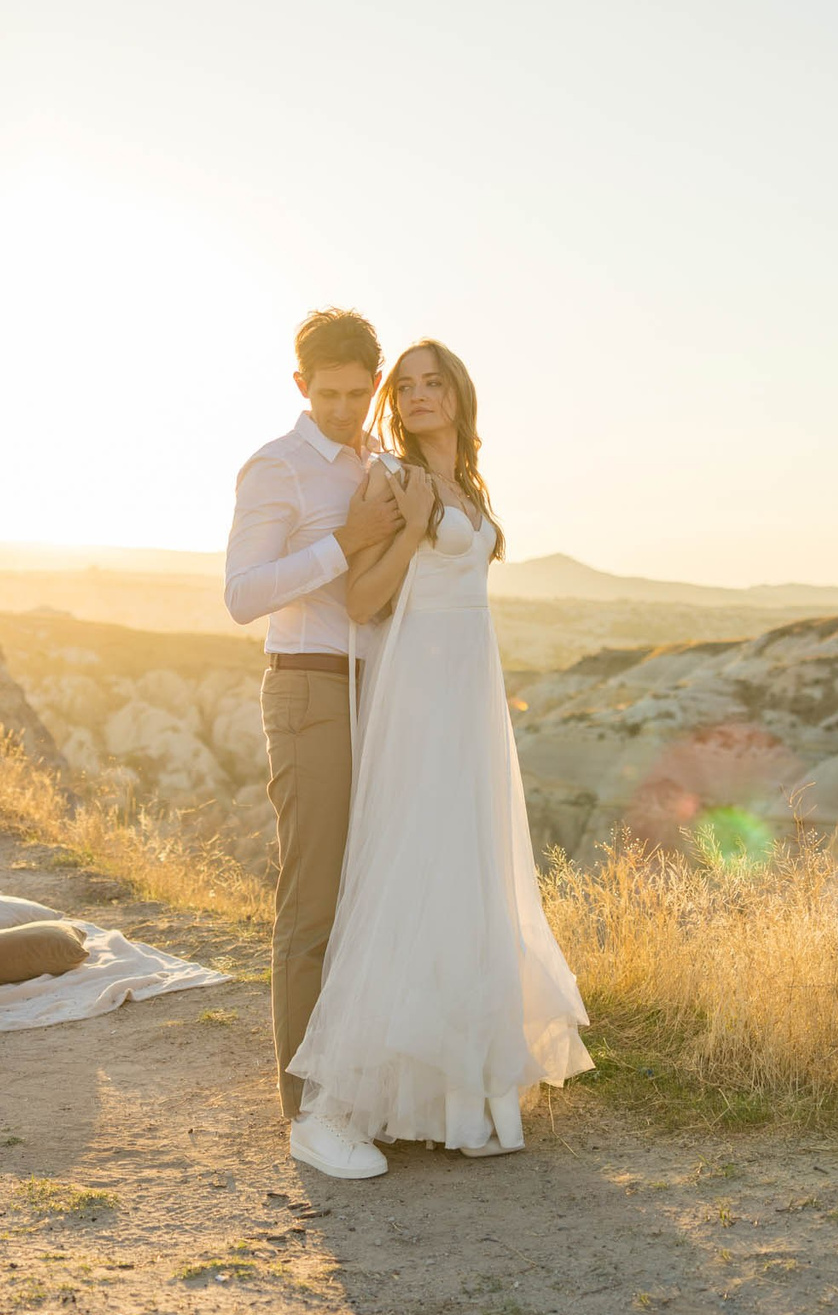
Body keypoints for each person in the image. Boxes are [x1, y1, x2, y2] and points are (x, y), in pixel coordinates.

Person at [285, 340, 593, 1175]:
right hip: (416, 698)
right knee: (410, 873)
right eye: (407, 385)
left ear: (458, 395)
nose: (418, 396)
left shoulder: (468, 485)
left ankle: (457, 1095)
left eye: (434, 383)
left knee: (465, 878)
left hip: (467, 701)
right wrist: (414, 524)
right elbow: (359, 597)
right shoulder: (391, 478)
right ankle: (336, 1109)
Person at [223, 308, 405, 1178]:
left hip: (383, 697)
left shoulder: (385, 462)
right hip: (308, 689)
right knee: (313, 905)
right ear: (301, 387)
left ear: (374, 382)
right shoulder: (277, 467)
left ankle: (364, 1086)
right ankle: (306, 1111)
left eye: (355, 392)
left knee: (374, 897)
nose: (342, 408)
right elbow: (243, 594)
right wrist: (345, 544)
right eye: (325, 393)